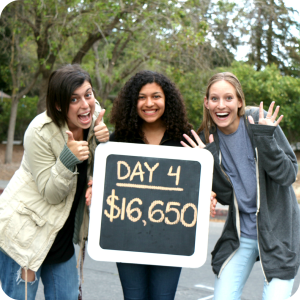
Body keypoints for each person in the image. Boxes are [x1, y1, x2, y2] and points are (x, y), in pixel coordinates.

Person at [182, 72, 300, 300]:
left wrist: (265, 140)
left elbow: (288, 175)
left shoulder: (259, 120)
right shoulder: (207, 139)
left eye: (228, 98)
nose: (221, 105)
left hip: (278, 233)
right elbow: (228, 196)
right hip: (242, 234)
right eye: (214, 99)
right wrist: (207, 163)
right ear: (206, 103)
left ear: (240, 102)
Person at [0, 64, 109, 300]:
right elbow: (51, 194)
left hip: (61, 237)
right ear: (59, 105)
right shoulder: (39, 131)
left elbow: (94, 172)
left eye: (88, 94)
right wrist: (67, 159)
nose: (85, 104)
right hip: (24, 236)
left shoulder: (93, 117)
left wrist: (102, 142)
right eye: (74, 99)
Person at [109, 70, 195, 300]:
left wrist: (207, 192)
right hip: (128, 238)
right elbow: (108, 184)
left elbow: (198, 181)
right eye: (141, 97)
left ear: (167, 100)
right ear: (132, 102)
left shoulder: (186, 138)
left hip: (171, 239)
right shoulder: (119, 139)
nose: (149, 103)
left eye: (156, 96)